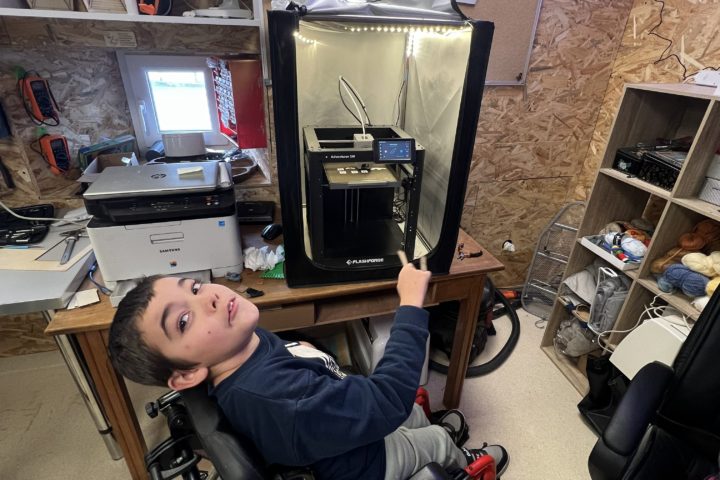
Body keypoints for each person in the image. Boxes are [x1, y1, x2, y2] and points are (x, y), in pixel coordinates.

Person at [108, 263, 509, 480]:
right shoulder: (280, 398)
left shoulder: (241, 346)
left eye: (194, 287)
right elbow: (387, 400)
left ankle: (431, 433)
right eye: (182, 321)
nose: (208, 297)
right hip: (362, 465)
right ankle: (461, 457)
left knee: (414, 414)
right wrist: (410, 306)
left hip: (340, 425)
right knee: (432, 436)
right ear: (185, 376)